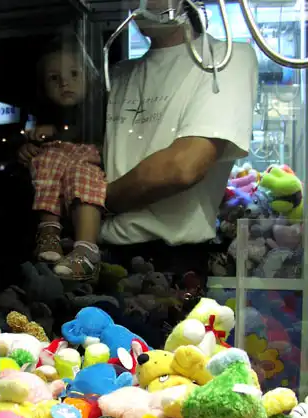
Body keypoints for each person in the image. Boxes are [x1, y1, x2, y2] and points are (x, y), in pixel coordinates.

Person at [100, 0, 258, 294]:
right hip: (104, 251)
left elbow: (184, 166)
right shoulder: (121, 72)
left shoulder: (227, 58)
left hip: (171, 261)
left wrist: (99, 201)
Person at [19, 35, 106, 281]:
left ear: (89, 78)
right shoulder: (41, 115)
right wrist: (28, 150)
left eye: (74, 74)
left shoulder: (96, 110)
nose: (65, 83)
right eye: (54, 78)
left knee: (82, 173)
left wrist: (56, 133)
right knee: (48, 160)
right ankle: (49, 232)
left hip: (87, 173)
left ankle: (87, 250)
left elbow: (90, 135)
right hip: (57, 189)